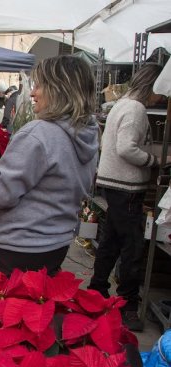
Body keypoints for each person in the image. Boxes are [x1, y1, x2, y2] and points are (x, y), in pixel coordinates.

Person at [0, 55, 100, 276]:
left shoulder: (39, 133)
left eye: (39, 86)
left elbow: (1, 194)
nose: (32, 93)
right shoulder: (88, 133)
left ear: (57, 90)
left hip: (18, 247)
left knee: (6, 299)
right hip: (56, 244)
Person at [89, 63, 168, 332]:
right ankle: (127, 304)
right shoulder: (135, 109)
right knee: (131, 248)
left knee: (111, 241)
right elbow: (126, 148)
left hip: (116, 184)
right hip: (126, 186)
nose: (161, 97)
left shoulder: (123, 104)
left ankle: (97, 291)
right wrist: (153, 161)